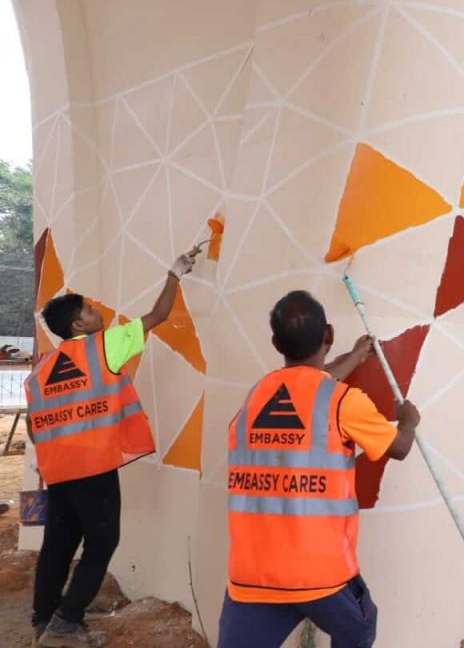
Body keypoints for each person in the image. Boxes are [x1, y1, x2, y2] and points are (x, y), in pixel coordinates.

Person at [218, 290, 421, 648]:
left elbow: (308, 383)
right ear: (328, 334)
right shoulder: (343, 402)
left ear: (275, 342)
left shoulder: (257, 395)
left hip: (253, 576)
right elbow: (399, 448)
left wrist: (355, 357)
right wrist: (408, 420)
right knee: (359, 627)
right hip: (321, 576)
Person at [26, 248, 201, 647]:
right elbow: (156, 317)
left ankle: (42, 619)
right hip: (93, 469)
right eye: (88, 310)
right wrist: (174, 274)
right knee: (102, 542)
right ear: (77, 324)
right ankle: (66, 622)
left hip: (59, 471)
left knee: (58, 544)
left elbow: (37, 430)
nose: (95, 312)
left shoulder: (42, 371)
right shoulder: (103, 346)